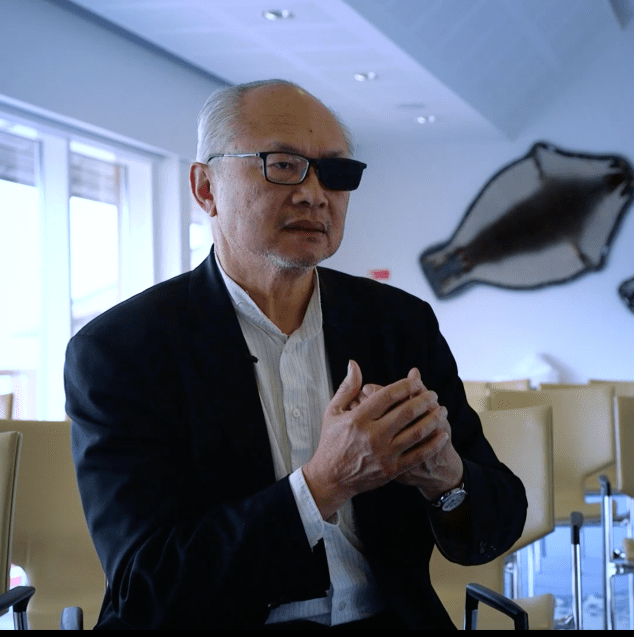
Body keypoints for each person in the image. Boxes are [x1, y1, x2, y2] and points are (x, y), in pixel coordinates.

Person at [64, 79, 527, 629]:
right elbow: (148, 591)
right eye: (282, 165)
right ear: (206, 188)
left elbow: (494, 527)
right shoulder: (122, 352)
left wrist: (446, 478)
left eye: (334, 172)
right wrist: (323, 485)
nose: (314, 193)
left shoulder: (398, 325)